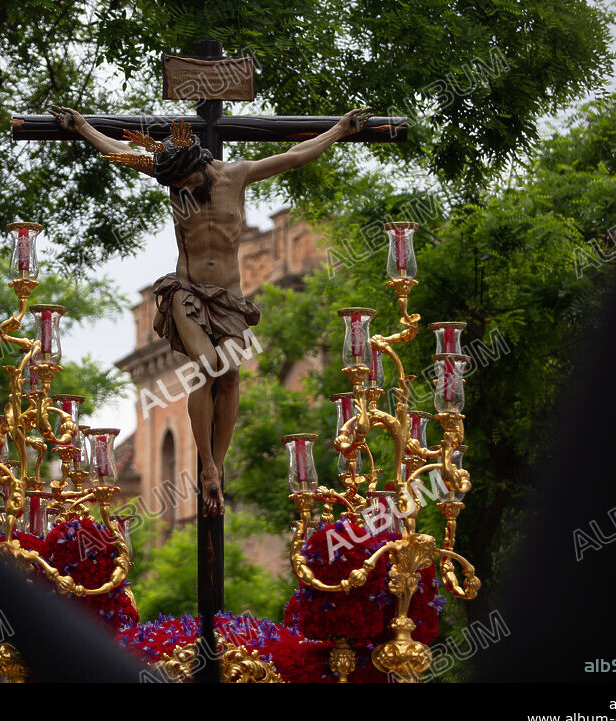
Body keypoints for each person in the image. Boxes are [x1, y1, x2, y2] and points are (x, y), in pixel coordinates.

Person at [50, 104, 375, 516]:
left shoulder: (236, 175)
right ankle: (205, 466)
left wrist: (339, 130)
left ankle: (217, 465)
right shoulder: (173, 179)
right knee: (207, 366)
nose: (183, 190)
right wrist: (82, 126)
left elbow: (293, 156)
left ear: (200, 165)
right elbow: (116, 147)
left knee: (232, 373)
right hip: (186, 292)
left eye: (187, 182)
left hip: (230, 298)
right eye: (176, 186)